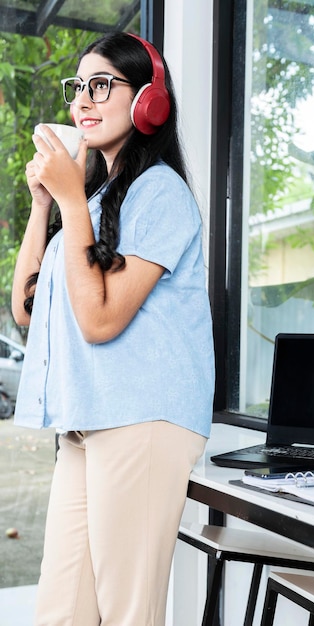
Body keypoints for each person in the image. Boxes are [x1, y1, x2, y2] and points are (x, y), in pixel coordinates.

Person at [11, 31, 214, 626]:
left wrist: (73, 204)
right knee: (61, 610)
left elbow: (100, 321)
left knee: (129, 612)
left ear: (149, 102)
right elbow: (26, 310)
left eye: (102, 84)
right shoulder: (93, 203)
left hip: (142, 418)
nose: (83, 100)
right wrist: (46, 204)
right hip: (89, 419)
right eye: (79, 87)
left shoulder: (161, 194)